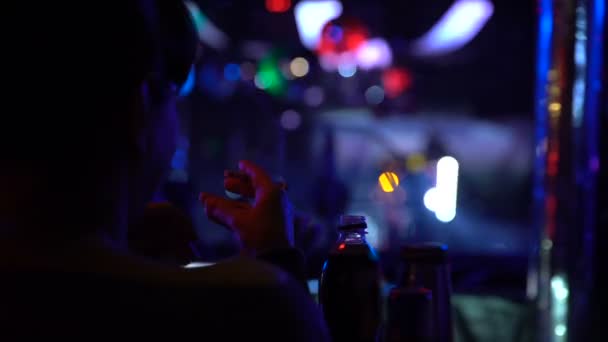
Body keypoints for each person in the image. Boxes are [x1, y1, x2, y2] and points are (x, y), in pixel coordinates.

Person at [0, 2, 328, 340]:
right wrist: (275, 258)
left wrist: (121, 242)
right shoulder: (251, 303)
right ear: (138, 108)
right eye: (173, 94)